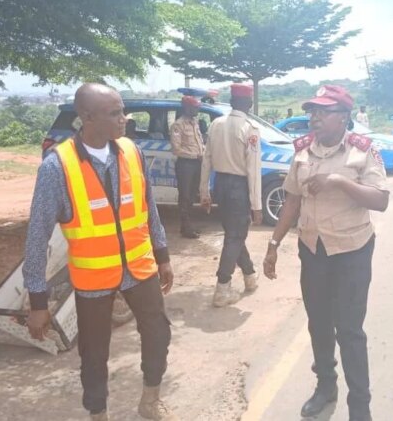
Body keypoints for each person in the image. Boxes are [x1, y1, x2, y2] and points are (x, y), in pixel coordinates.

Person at [22, 83, 177, 421]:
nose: (124, 119)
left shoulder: (131, 152)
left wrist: (162, 254)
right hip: (93, 277)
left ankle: (150, 398)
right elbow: (37, 237)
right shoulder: (57, 167)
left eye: (123, 110)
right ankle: (98, 413)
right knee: (94, 353)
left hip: (140, 266)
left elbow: (149, 208)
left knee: (158, 332)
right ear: (87, 118)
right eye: (115, 113)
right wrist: (38, 301)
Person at [262, 85, 388, 421]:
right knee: (318, 324)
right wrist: (273, 245)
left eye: (323, 111)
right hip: (313, 250)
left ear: (344, 117)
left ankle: (360, 407)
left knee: (349, 329)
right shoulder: (302, 151)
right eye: (312, 110)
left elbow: (381, 200)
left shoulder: (362, 151)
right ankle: (326, 387)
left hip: (351, 251)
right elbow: (291, 199)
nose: (314, 117)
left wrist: (338, 181)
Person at [200, 84, 262, 307]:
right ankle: (222, 287)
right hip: (238, 188)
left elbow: (206, 159)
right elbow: (253, 170)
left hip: (221, 185)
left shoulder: (216, 124)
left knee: (234, 234)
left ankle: (250, 275)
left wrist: (204, 192)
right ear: (249, 104)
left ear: (232, 100)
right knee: (235, 236)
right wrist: (257, 205)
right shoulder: (250, 127)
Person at [170, 95, 205, 239]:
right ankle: (185, 227)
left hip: (197, 164)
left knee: (192, 195)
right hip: (186, 164)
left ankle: (188, 226)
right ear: (187, 108)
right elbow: (176, 149)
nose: (197, 109)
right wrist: (194, 155)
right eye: (195, 107)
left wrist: (203, 152)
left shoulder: (195, 123)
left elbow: (199, 143)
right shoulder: (178, 125)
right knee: (184, 196)